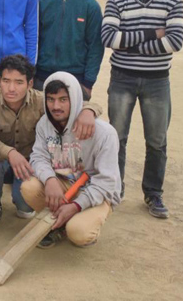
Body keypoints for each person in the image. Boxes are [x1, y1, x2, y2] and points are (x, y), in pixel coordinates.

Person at [101, 0, 183, 218]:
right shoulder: (116, 0)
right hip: (122, 78)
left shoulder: (172, 0)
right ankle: (116, 188)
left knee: (157, 141)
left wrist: (130, 44)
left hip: (157, 81)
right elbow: (109, 39)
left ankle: (153, 193)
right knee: (117, 137)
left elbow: (175, 42)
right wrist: (153, 33)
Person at [0, 55, 101, 230]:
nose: (11, 88)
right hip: (1, 158)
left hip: (31, 161)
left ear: (30, 84)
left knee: (25, 207)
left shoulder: (42, 101)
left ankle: (20, 198)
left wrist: (88, 111)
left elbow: (86, 104)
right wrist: (10, 153)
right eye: (6, 81)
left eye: (19, 82)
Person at [23, 72, 121, 248]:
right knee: (29, 187)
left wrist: (76, 205)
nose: (56, 106)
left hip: (95, 191)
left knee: (78, 232)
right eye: (51, 99)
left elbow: (106, 182)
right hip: (64, 184)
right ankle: (58, 227)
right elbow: (38, 157)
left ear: (75, 99)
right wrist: (50, 180)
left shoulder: (105, 133)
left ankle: (77, 222)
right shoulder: (44, 123)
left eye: (63, 99)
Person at [35, 0, 104, 100]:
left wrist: (88, 83)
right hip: (41, 78)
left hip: (76, 79)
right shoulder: (41, 2)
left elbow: (96, 46)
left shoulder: (90, 5)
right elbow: (34, 40)